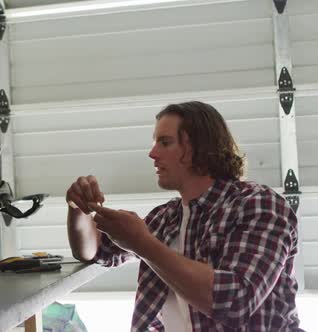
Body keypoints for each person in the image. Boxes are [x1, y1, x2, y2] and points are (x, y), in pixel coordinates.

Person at [66, 101, 303, 331]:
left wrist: (142, 244)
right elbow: (94, 251)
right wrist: (78, 208)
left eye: (165, 142)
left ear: (198, 148)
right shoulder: (165, 218)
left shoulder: (260, 205)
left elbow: (236, 302)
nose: (152, 153)